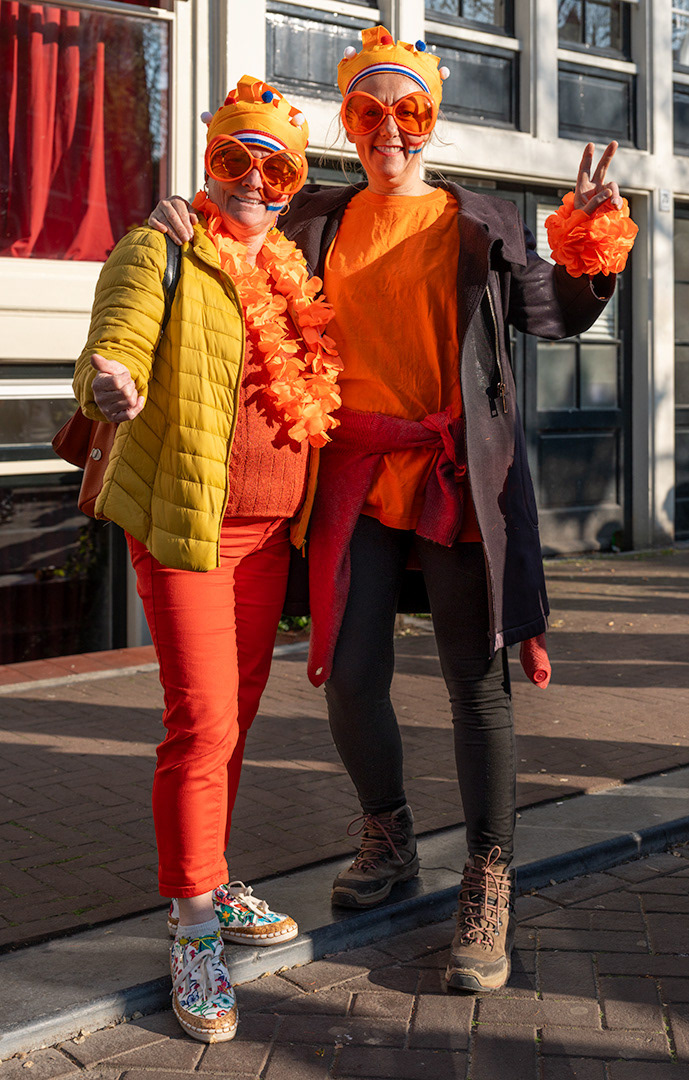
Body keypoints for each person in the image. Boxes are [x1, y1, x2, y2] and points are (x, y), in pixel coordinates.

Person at [149, 28, 637, 994]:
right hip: (351, 477)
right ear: (348, 121)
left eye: (408, 111)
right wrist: (175, 218)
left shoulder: (479, 221)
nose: (389, 131)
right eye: (369, 112)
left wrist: (588, 239)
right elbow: (239, 226)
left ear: (431, 119)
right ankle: (389, 834)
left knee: (474, 682)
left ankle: (488, 879)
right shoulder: (313, 218)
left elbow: (557, 314)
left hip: (455, 473)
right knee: (348, 673)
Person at [73, 76, 341, 1042]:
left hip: (271, 534)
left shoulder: (293, 268)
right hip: (188, 524)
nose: (254, 184)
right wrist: (110, 379)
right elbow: (117, 336)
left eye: (276, 170)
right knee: (202, 724)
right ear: (208, 161)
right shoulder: (161, 246)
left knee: (237, 721)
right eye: (235, 160)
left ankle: (214, 877)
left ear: (295, 182)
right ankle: (191, 929)